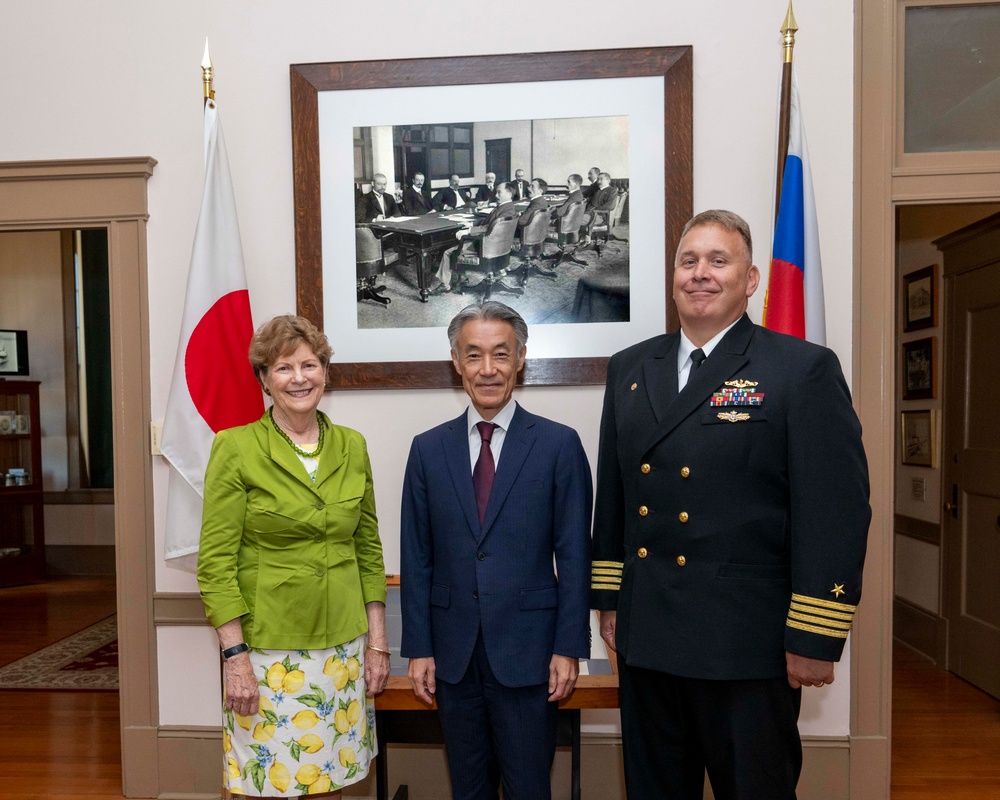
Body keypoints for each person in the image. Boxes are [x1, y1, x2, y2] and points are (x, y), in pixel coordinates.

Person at [590, 209, 871, 800]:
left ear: (750, 280)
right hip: (650, 638)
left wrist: (816, 634)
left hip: (747, 644)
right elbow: (614, 494)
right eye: (688, 261)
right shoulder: (631, 368)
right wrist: (611, 599)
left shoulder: (799, 370)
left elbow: (835, 511)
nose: (700, 274)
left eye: (718, 261)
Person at [401, 301, 593, 800]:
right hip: (452, 655)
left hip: (531, 653)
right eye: (474, 355)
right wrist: (419, 646)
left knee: (530, 788)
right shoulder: (427, 449)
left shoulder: (558, 444)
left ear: (521, 358)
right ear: (456, 361)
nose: (488, 369)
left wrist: (568, 646)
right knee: (468, 790)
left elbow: (575, 555)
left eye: (501, 354)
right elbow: (417, 556)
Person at [198, 314, 390, 799]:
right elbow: (215, 563)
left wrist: (378, 643)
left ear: (325, 371)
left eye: (309, 365)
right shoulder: (236, 447)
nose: (299, 378)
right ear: (264, 379)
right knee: (266, 785)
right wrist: (235, 657)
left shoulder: (352, 445)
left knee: (331, 779)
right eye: (283, 368)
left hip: (343, 649)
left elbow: (367, 548)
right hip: (266, 651)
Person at [431, 181, 517, 293]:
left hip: (486, 247)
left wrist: (469, 231)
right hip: (496, 246)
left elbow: (491, 228)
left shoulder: (505, 209)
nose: (496, 195)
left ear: (509, 194)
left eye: (499, 192)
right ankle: (461, 277)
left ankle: (445, 284)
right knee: (456, 244)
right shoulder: (507, 208)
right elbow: (490, 223)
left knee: (448, 251)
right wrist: (472, 224)